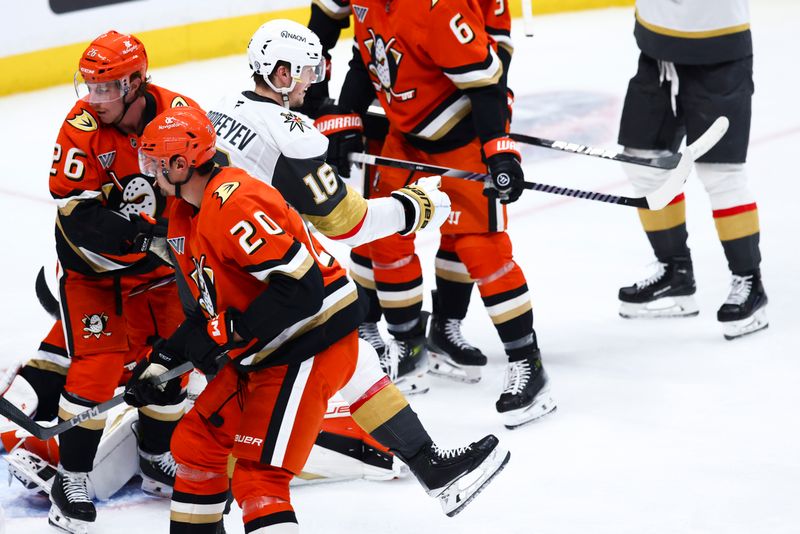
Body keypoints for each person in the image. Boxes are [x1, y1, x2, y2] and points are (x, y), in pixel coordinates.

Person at [125, 106, 509, 532]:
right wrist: (163, 359)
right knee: (195, 444)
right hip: (273, 347)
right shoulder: (184, 214)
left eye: (153, 164)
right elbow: (211, 309)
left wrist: (236, 332)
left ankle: (431, 465)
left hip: (308, 343)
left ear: (181, 164)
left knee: (259, 480)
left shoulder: (235, 204)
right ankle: (432, 465)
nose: (147, 174)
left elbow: (301, 288)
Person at [316, 0, 555, 428]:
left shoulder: (438, 9)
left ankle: (529, 366)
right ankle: (409, 349)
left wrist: (498, 151)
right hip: (403, 138)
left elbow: (487, 84)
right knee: (380, 235)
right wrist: (346, 114)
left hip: (461, 140)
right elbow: (367, 59)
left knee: (482, 251)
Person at [6, 30, 198, 533]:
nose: (96, 98)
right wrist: (147, 237)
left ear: (137, 82)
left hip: (159, 274)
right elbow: (80, 218)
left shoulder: (178, 114)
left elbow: (201, 181)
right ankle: (71, 477)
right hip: (93, 271)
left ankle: (157, 458)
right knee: (98, 367)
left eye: (108, 88)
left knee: (171, 363)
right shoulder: (81, 126)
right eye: (90, 86)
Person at [616, 0, 768, 340]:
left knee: (721, 173)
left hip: (719, 52)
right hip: (657, 50)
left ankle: (749, 282)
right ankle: (675, 273)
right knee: (643, 160)